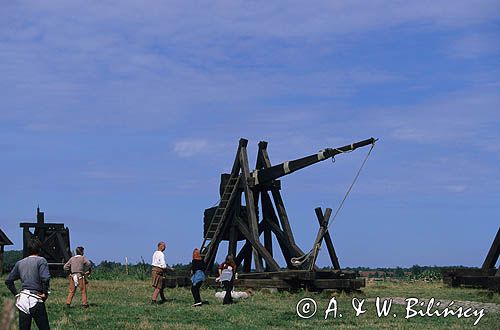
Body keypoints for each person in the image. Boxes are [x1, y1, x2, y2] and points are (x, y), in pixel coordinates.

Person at [4, 238, 51, 330]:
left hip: (23, 299)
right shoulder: (41, 261)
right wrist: (45, 294)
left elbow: (8, 281)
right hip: (36, 298)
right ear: (39, 249)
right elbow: (45, 278)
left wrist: (16, 294)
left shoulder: (20, 263)